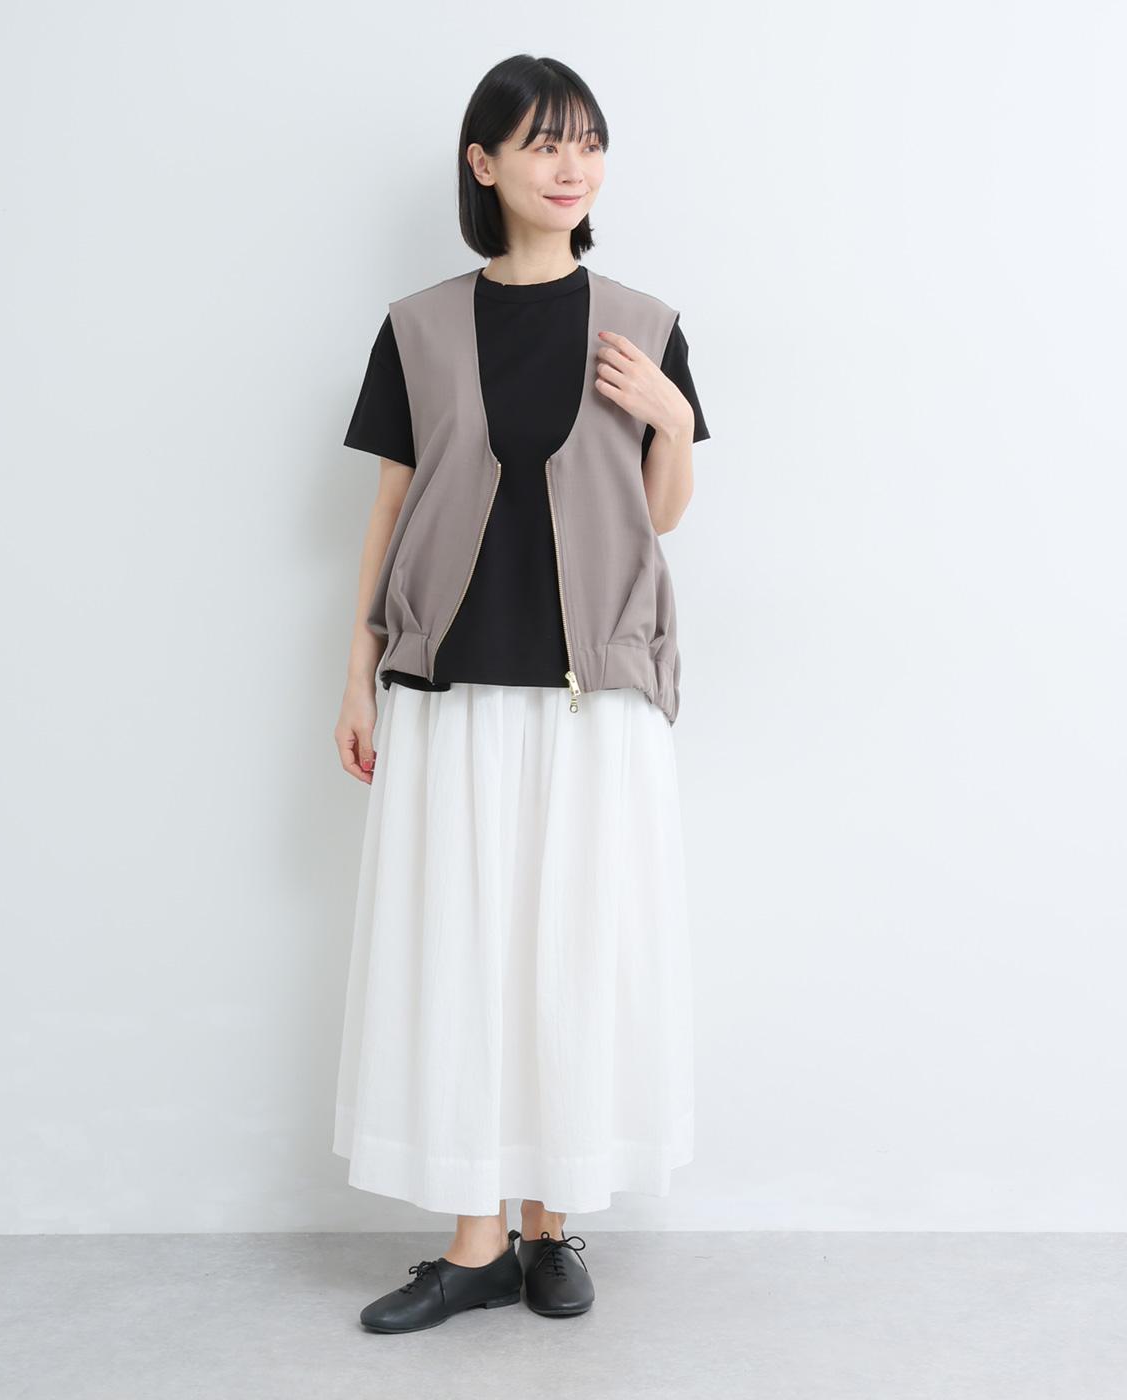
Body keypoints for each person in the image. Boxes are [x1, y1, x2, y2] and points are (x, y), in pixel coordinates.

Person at [332, 53, 710, 1334]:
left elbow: (659, 518)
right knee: (461, 950)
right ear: (482, 162)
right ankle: (475, 1239)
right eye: (545, 142)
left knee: (575, 950)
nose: (571, 165)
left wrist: (670, 418)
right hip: (451, 683)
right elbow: (388, 506)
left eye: (588, 142)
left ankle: (550, 1226)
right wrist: (358, 671)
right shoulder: (418, 327)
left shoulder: (645, 324)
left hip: (595, 694)